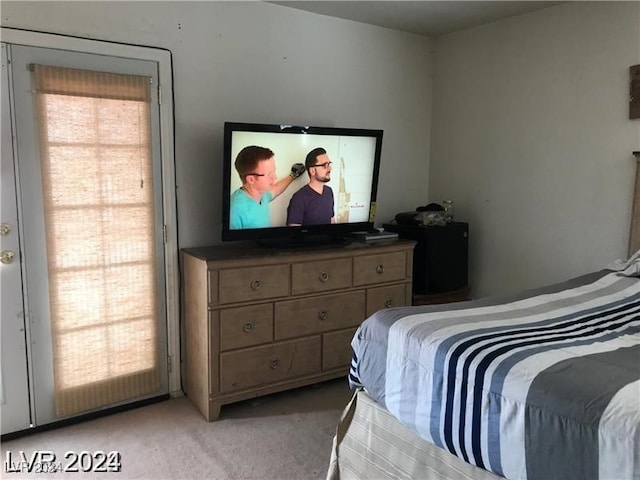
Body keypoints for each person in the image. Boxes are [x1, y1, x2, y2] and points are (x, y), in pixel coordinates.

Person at [230, 146, 305, 229]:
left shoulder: (261, 195)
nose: (275, 177)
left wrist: (293, 175)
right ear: (251, 179)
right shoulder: (234, 212)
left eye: (274, 171)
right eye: (269, 174)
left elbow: (276, 190)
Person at [286, 147, 335, 226]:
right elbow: (294, 234)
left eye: (329, 164)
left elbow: (332, 220)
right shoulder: (299, 198)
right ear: (312, 171)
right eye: (324, 165)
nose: (329, 168)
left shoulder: (329, 192)